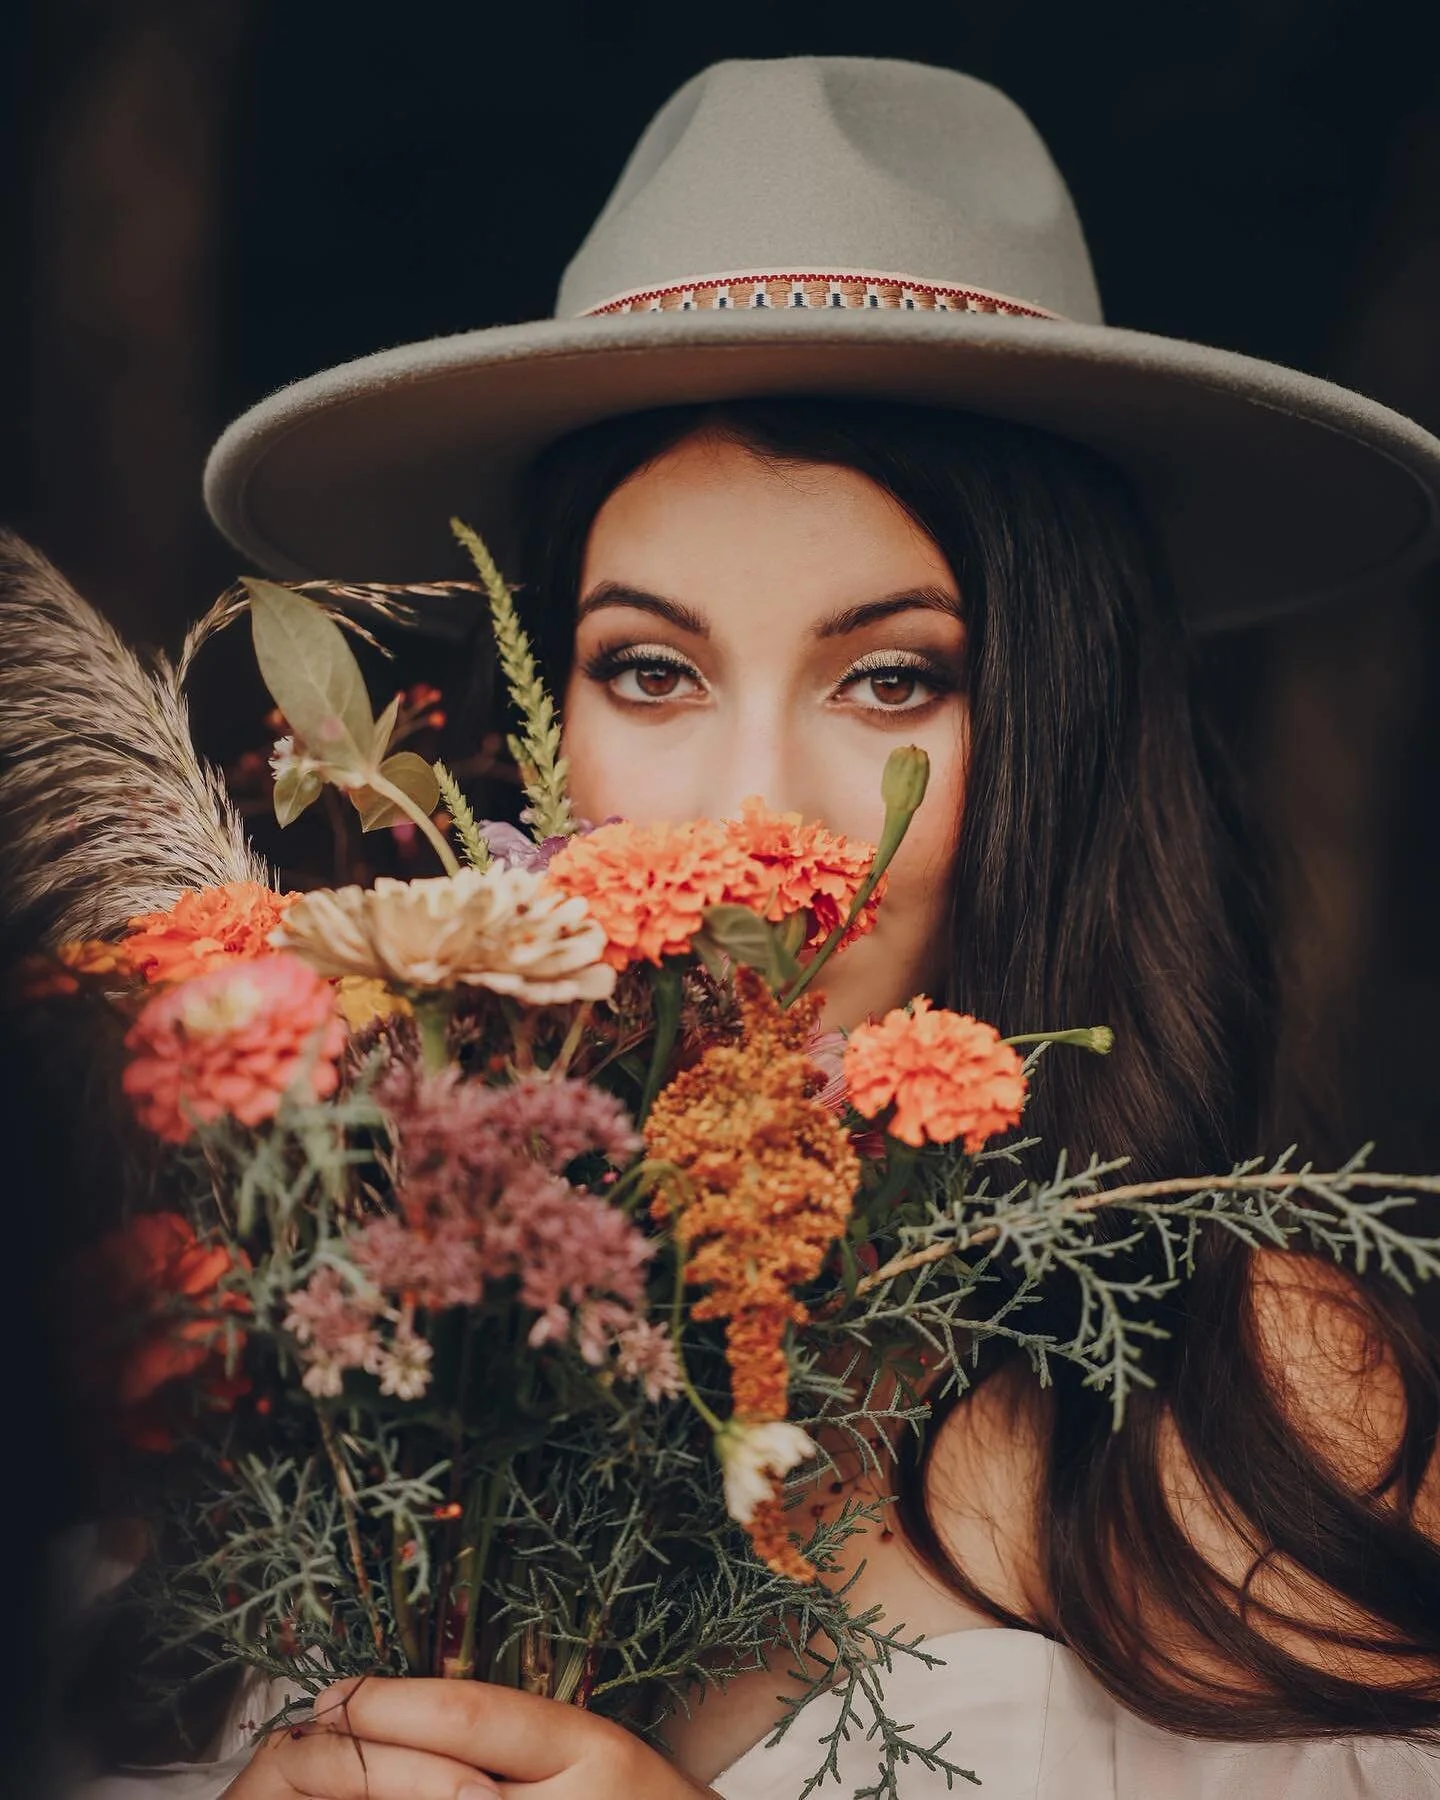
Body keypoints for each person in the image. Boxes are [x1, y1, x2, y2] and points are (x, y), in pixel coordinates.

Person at [91, 54, 1440, 1800]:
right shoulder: (335, 1344)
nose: (749, 827)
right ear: (544, 728)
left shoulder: (1257, 1407)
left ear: (1066, 730)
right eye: (650, 669)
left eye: (892, 678)